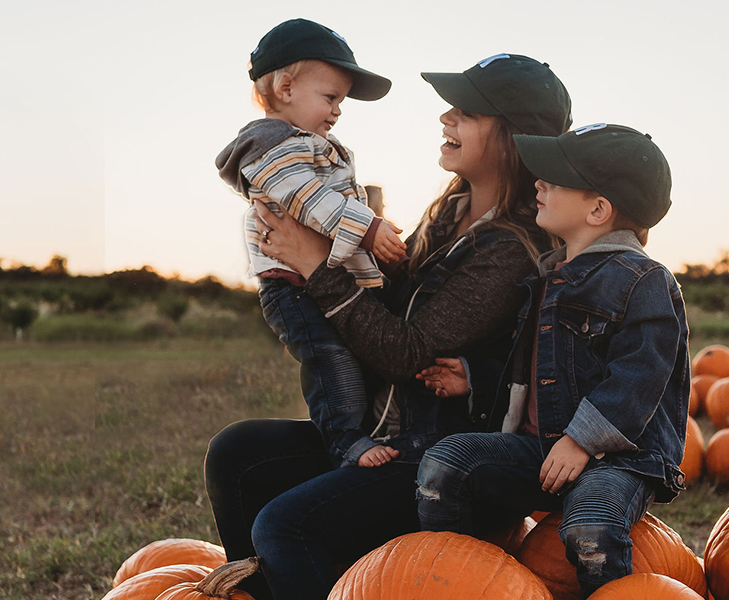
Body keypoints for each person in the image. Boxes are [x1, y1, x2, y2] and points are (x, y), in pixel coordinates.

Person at [203, 54, 572, 600]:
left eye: (466, 111)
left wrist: (315, 266)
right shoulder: (449, 212)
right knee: (238, 453)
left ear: (513, 137)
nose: (446, 117)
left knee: (285, 525)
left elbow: (406, 351)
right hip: (391, 431)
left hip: (439, 457)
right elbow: (388, 310)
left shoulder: (510, 249)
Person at [414, 124, 691, 598]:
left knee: (591, 530)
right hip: (542, 448)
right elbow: (532, 370)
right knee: (445, 465)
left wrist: (582, 440)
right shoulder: (549, 275)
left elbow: (641, 374)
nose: (538, 184)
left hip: (617, 460)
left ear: (598, 209)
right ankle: (466, 582)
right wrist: (479, 383)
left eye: (555, 179)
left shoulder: (644, 281)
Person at [215, 19, 408, 469]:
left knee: (350, 358)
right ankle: (345, 441)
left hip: (313, 277)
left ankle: (356, 430)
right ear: (285, 88)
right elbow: (308, 199)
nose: (338, 110)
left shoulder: (305, 142)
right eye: (330, 97)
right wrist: (368, 227)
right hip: (291, 286)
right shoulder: (270, 147)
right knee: (330, 361)